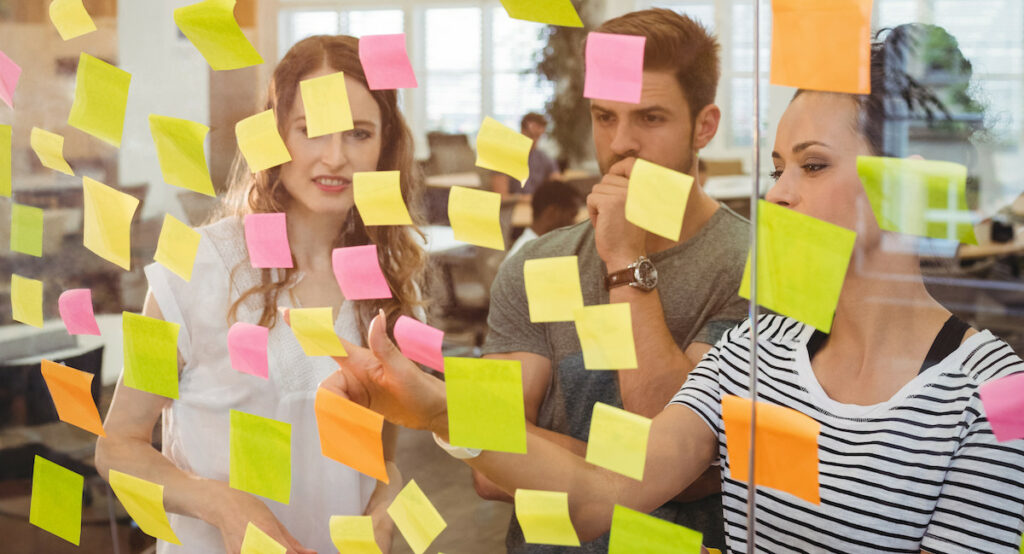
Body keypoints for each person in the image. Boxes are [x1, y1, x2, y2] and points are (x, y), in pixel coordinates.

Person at [316, 23, 1024, 553]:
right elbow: (613, 491)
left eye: (811, 166)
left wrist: (627, 264)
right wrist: (440, 411)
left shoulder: (995, 396)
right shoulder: (760, 350)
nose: (777, 194)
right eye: (778, 165)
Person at [95, 35, 427, 554]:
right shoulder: (195, 265)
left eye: (360, 133)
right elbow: (116, 447)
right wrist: (223, 505)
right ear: (276, 137)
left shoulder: (388, 280)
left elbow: (381, 459)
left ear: (386, 146)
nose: (335, 157)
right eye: (311, 131)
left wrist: (385, 512)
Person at [481, 9, 750, 552]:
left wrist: (625, 259)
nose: (620, 142)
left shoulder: (755, 266)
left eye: (650, 118)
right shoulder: (534, 263)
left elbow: (666, 435)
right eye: (605, 117)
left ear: (704, 124)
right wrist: (664, 468)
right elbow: (487, 467)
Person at [491, 112, 563, 199]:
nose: (535, 141)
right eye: (531, 136)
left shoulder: (543, 158)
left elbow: (558, 187)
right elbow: (502, 197)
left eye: (538, 136)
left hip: (537, 208)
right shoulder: (503, 157)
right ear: (522, 131)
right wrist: (529, 199)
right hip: (514, 209)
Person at [506, 181, 583, 258]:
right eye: (572, 215)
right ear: (552, 213)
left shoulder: (542, 248)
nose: (574, 223)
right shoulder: (528, 256)